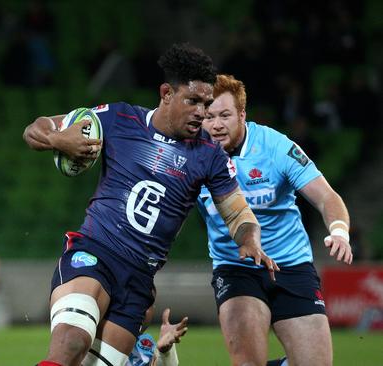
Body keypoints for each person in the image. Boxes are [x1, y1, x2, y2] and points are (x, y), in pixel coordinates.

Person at [23, 43, 278, 366]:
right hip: (95, 254)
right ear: (166, 93)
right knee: (72, 342)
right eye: (193, 101)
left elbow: (238, 212)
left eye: (206, 103)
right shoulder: (118, 118)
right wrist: (58, 139)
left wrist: (250, 240)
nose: (202, 112)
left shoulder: (209, 155)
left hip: (138, 281)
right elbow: (36, 129)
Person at [198, 74, 353, 366]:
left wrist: (340, 232)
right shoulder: (194, 155)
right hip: (236, 268)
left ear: (242, 115)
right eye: (208, 116)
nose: (216, 125)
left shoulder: (275, 147)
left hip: (291, 266)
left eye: (224, 115)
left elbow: (326, 197)